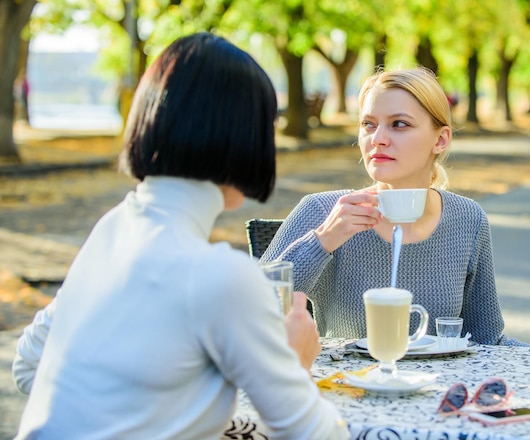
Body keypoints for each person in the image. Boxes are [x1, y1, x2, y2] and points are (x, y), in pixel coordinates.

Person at [13, 32, 348, 440]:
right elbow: (316, 433)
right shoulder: (219, 275)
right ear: (239, 137)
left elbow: (29, 365)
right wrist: (296, 363)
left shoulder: (113, 228)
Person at [261, 67, 526, 346]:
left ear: (440, 139)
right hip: (350, 387)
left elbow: (487, 341)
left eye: (399, 124)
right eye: (368, 124)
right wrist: (323, 240)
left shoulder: (468, 220)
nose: (377, 139)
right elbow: (247, 309)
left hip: (438, 388)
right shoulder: (322, 210)